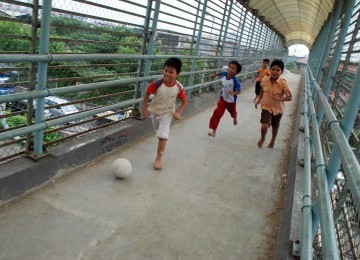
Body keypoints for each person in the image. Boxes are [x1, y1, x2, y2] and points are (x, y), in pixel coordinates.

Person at [142, 57, 187, 170]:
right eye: (166, 70)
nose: (167, 74)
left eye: (171, 72)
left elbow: (184, 101)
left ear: (177, 74)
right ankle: (161, 142)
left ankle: (158, 159)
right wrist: (144, 109)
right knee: (159, 133)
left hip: (167, 114)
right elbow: (147, 94)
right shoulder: (157, 83)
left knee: (163, 136)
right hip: (155, 112)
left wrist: (178, 112)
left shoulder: (179, 87)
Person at [254, 59, 292, 148]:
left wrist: (279, 98)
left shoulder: (283, 83)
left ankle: (273, 140)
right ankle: (263, 138)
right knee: (264, 125)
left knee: (275, 127)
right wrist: (258, 100)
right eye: (273, 69)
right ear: (270, 70)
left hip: (278, 109)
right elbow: (262, 90)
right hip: (266, 107)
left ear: (281, 72)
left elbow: (290, 97)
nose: (275, 72)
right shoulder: (265, 79)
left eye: (277, 70)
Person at [208, 60, 242, 137]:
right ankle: (214, 131)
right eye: (230, 67)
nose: (230, 69)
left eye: (233, 68)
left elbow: (239, 91)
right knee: (217, 113)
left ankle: (235, 118)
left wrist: (233, 93)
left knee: (233, 113)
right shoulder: (224, 74)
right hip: (223, 99)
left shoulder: (235, 81)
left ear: (236, 72)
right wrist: (213, 75)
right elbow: (221, 73)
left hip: (231, 101)